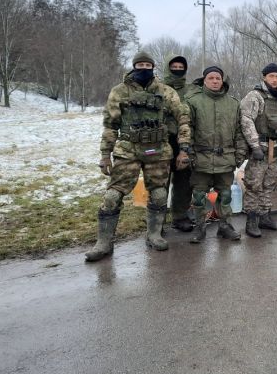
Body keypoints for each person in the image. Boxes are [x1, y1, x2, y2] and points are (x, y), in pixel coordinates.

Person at [85, 51, 190, 262]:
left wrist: (184, 149)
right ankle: (104, 242)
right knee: (112, 196)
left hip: (158, 151)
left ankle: (154, 234)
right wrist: (105, 155)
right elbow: (110, 125)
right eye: (140, 64)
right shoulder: (119, 91)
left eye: (147, 65)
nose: (144, 68)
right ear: (134, 66)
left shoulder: (165, 91)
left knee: (159, 195)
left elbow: (183, 119)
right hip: (128, 150)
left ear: (153, 68)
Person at [184, 65, 247, 243]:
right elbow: (186, 130)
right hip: (200, 158)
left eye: (217, 78)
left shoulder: (233, 103)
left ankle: (225, 226)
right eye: (211, 78)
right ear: (204, 80)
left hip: (226, 158)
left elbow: (239, 132)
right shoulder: (193, 101)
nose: (214, 81)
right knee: (198, 196)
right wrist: (189, 155)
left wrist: (239, 155)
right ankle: (200, 227)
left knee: (225, 195)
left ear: (222, 80)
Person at [239, 63, 277, 238]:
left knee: (269, 184)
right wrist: (254, 145)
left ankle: (265, 216)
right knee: (254, 184)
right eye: (271, 76)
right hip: (259, 148)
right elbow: (246, 120)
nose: (274, 80)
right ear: (264, 77)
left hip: (275, 148)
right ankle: (251, 220)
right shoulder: (255, 96)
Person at [163, 55, 200, 232]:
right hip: (163, 140)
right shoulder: (159, 88)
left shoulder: (190, 89)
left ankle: (180, 216)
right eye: (174, 66)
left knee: (184, 180)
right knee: (160, 181)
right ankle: (157, 219)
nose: (177, 69)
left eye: (180, 66)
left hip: (185, 140)